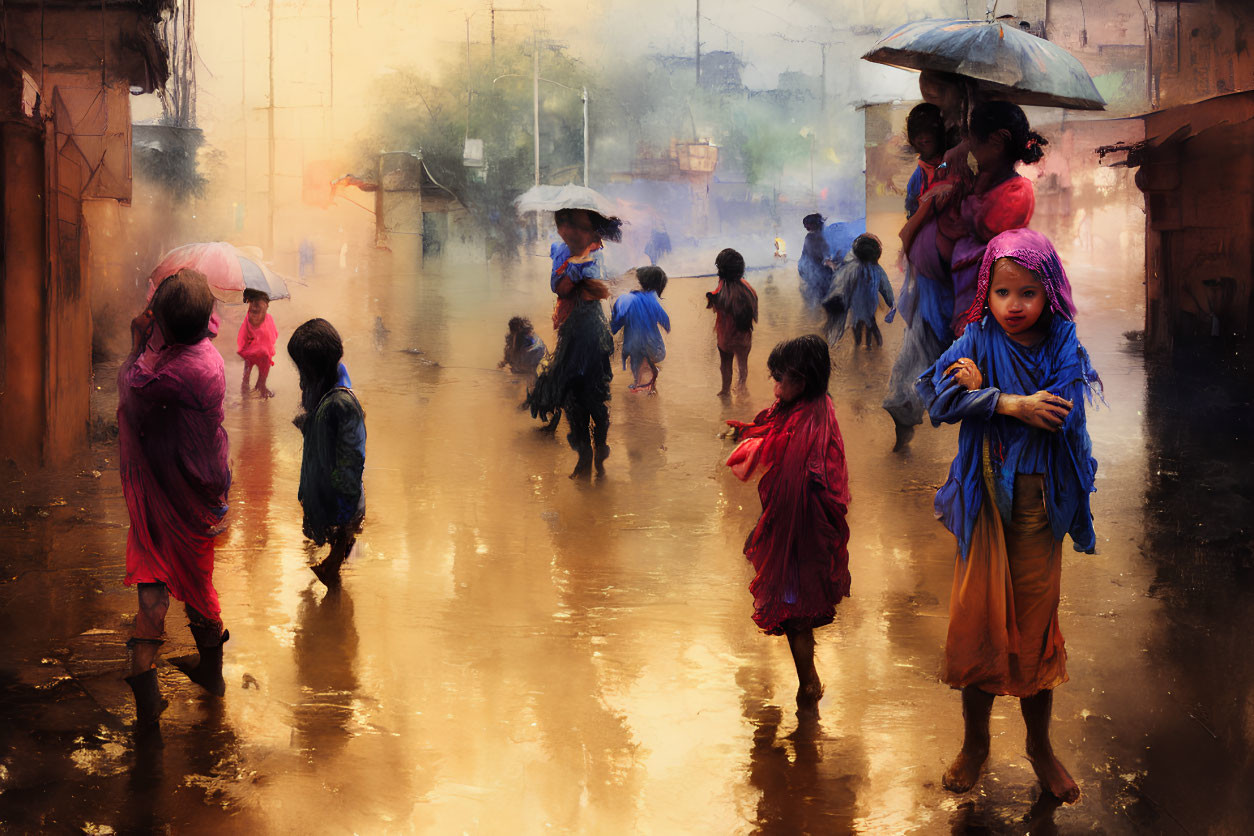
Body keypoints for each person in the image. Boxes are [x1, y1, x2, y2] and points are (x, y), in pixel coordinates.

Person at [915, 229, 1099, 805]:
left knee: (1035, 629)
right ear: (985, 294)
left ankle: (1039, 748)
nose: (1013, 306)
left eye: (1027, 293)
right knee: (978, 622)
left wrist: (985, 395)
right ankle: (975, 746)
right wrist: (1007, 402)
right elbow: (934, 397)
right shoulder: (974, 337)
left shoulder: (1064, 340)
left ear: (1049, 293)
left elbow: (1060, 414)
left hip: (1039, 508)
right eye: (1001, 293)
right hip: (984, 502)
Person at [887, 100, 1043, 452]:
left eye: (974, 140)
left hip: (981, 304)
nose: (968, 147)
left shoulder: (1014, 191)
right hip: (950, 291)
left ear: (999, 142)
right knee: (928, 365)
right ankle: (909, 419)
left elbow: (983, 226)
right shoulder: (961, 172)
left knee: (979, 385)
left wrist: (953, 194)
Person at [118, 269, 231, 728]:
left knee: (158, 588)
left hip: (175, 493)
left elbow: (131, 386)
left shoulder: (179, 373)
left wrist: (135, 344)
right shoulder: (204, 353)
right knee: (196, 580)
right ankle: (208, 674)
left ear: (164, 324)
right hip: (193, 487)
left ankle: (151, 702)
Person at [724, 335, 851, 712]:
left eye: (783, 379)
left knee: (795, 609)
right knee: (797, 609)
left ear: (805, 380)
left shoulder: (812, 423)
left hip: (802, 527)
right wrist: (749, 433)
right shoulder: (805, 406)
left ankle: (808, 686)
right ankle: (807, 682)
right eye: (774, 378)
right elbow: (774, 427)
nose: (777, 388)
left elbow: (794, 455)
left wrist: (758, 445)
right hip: (795, 521)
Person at [288, 319, 367, 587]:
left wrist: (344, 507)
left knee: (344, 544)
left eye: (302, 370)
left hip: (339, 498)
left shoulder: (342, 405)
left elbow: (351, 461)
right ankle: (346, 572)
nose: (299, 378)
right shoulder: (328, 390)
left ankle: (350, 581)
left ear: (313, 371)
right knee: (341, 545)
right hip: (328, 492)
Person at [549, 207, 620, 332]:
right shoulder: (564, 251)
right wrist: (577, 265)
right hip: (574, 313)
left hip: (590, 311)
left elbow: (602, 284)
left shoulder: (596, 251)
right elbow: (558, 288)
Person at [823, 234, 894, 349]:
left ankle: (860, 350)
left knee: (859, 327)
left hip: (857, 305)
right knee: (871, 326)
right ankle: (874, 351)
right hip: (869, 305)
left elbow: (840, 286)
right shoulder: (876, 268)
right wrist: (891, 303)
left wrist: (832, 301)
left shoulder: (852, 267)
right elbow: (886, 287)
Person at [706, 248, 759, 396]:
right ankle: (742, 387)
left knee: (726, 365)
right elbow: (754, 311)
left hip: (726, 338)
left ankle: (725, 391)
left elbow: (714, 307)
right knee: (743, 364)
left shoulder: (721, 292)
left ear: (721, 271)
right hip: (744, 337)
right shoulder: (749, 289)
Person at [611, 266, 671, 394]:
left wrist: (613, 329)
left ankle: (639, 386)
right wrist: (666, 327)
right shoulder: (652, 300)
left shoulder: (626, 299)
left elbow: (617, 320)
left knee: (637, 365)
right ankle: (651, 387)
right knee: (645, 363)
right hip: (654, 344)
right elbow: (665, 320)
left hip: (634, 343)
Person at [237, 289, 278, 397]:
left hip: (255, 354)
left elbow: (243, 337)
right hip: (259, 354)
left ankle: (253, 388)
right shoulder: (263, 317)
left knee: (248, 374)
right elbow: (273, 336)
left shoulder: (261, 318)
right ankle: (259, 387)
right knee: (255, 373)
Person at [797, 213, 834, 307]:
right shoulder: (817, 236)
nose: (805, 227)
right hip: (817, 273)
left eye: (807, 225)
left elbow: (819, 254)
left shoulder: (812, 237)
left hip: (818, 273)